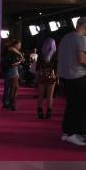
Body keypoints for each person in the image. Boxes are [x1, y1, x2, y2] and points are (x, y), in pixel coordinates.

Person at [57, 16, 86, 146]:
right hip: (78, 76)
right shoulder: (81, 38)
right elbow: (82, 59)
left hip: (65, 77)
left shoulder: (66, 37)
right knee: (78, 106)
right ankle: (72, 133)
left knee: (71, 105)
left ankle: (66, 132)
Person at [36, 38, 58, 119]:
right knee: (50, 95)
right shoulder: (55, 54)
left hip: (42, 75)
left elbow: (37, 66)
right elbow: (56, 67)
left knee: (41, 95)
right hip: (51, 75)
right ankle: (49, 112)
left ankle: (39, 111)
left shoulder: (41, 53)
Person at [1, 39, 23, 110]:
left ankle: (7, 103)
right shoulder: (11, 49)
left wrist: (19, 61)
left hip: (12, 69)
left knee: (10, 87)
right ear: (15, 44)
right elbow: (12, 60)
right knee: (13, 88)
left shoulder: (11, 50)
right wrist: (19, 59)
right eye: (19, 45)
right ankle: (11, 104)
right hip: (12, 69)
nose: (20, 46)